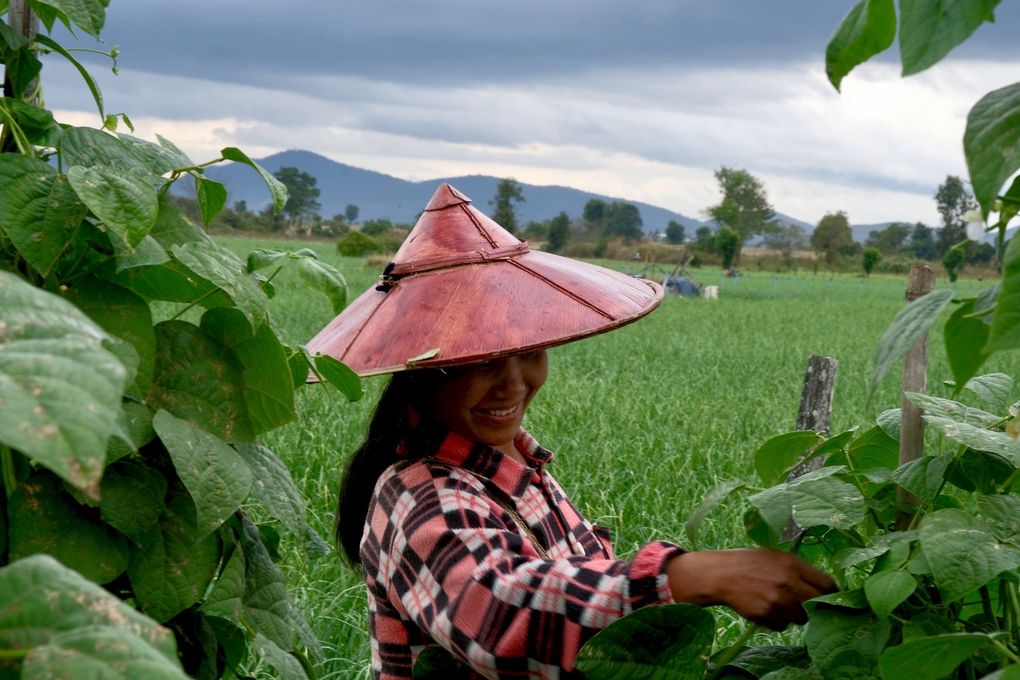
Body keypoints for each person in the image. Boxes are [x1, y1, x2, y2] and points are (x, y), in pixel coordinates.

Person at [307, 184, 835, 679]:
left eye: (530, 353)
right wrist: (686, 577)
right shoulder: (416, 492)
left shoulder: (518, 468)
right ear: (428, 367)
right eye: (485, 362)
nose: (513, 385)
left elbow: (576, 591)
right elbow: (498, 611)